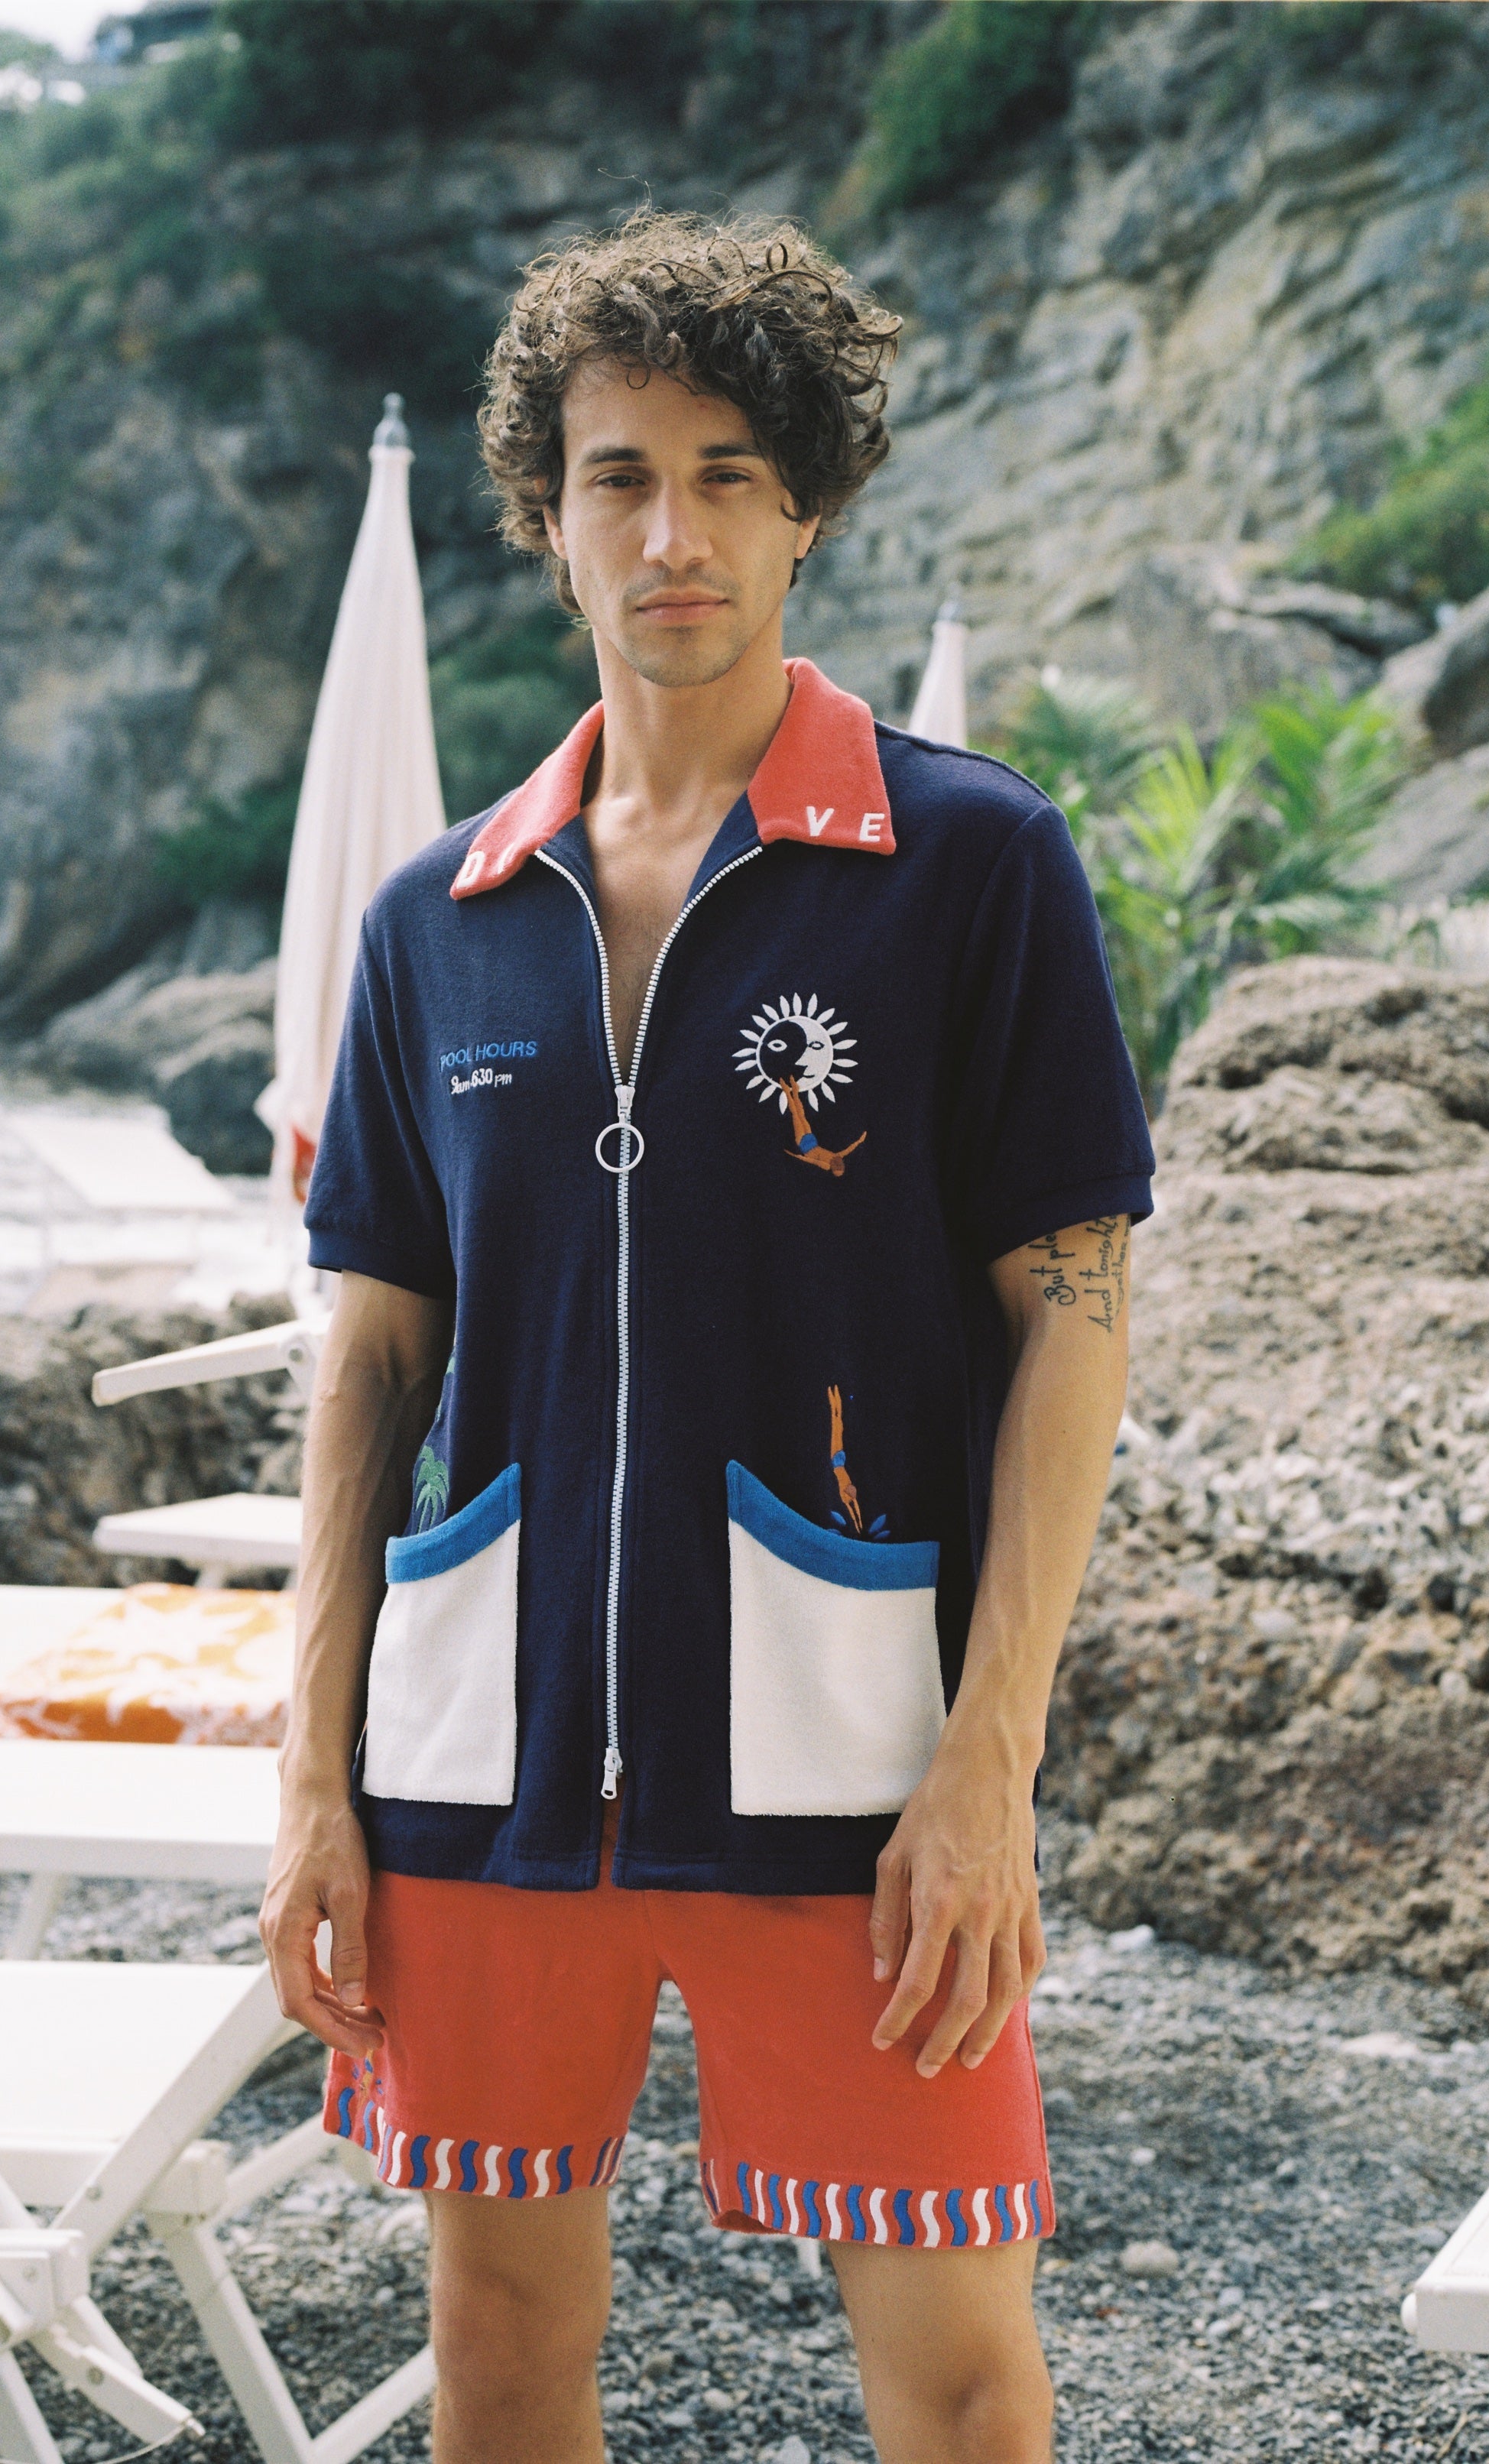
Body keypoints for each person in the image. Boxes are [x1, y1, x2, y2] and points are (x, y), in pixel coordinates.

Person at [261, 210, 1154, 2464]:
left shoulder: (970, 865)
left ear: (811, 503)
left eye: (730, 472)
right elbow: (373, 1362)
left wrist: (990, 1763)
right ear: (547, 522)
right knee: (499, 2349)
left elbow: (1077, 1319)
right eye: (619, 474)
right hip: (482, 1752)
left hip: (857, 1765)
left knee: (957, 2378)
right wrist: (311, 1783)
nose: (673, 530)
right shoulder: (436, 917)